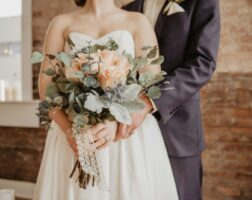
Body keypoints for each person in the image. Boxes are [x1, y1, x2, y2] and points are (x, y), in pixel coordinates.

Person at [33, 0, 179, 199]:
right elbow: (46, 87)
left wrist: (116, 120)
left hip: (125, 139)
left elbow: (152, 84)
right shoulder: (61, 23)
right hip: (76, 133)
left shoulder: (137, 21)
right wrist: (69, 129)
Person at [120, 0, 221, 199]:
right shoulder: (127, 10)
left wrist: (149, 101)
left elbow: (203, 63)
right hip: (130, 133)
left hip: (178, 128)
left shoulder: (202, 3)